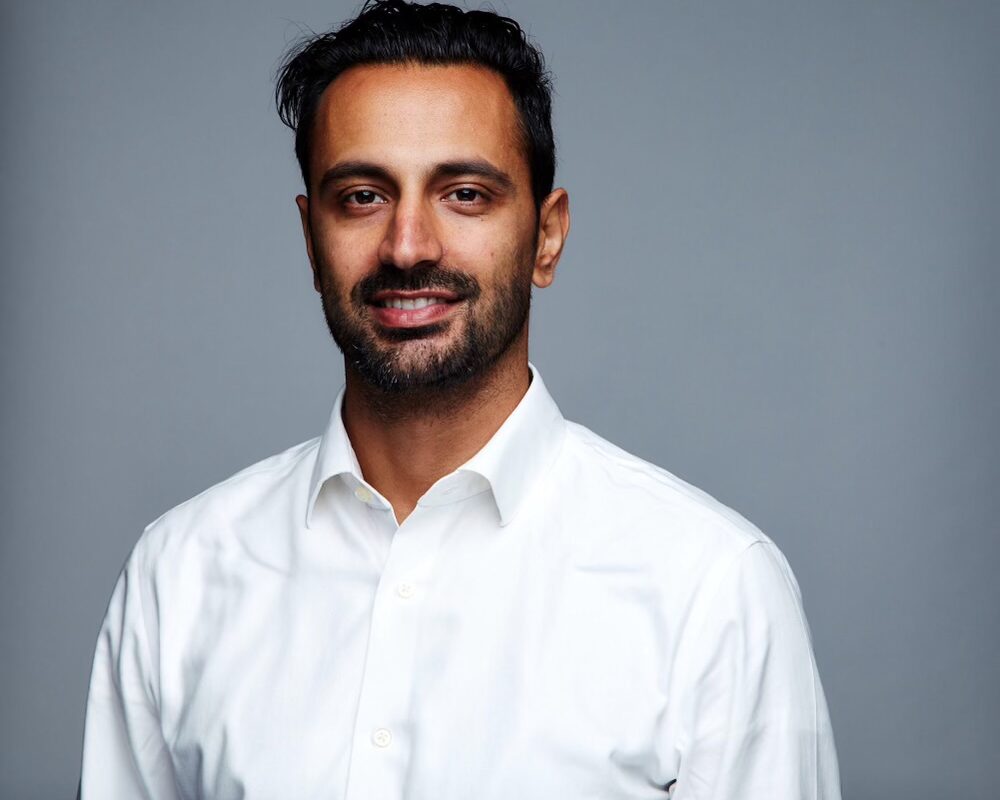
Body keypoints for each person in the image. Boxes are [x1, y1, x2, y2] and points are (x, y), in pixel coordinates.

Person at [79, 1, 841, 797]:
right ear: (310, 241)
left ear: (547, 236)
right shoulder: (181, 574)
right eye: (363, 196)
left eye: (466, 194)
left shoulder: (711, 590)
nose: (408, 245)